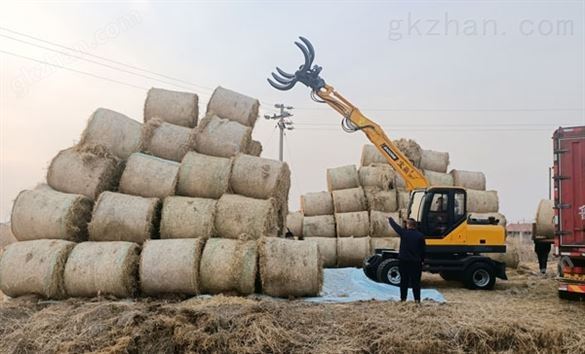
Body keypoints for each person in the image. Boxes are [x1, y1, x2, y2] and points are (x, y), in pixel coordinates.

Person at [388, 217, 426, 303]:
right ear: (415, 226)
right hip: (416, 262)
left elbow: (395, 227)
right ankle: (417, 300)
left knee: (404, 281)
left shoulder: (404, 233)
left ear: (408, 225)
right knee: (416, 282)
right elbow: (423, 250)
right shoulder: (420, 236)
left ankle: (403, 299)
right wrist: (422, 260)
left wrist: (390, 219)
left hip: (404, 261)